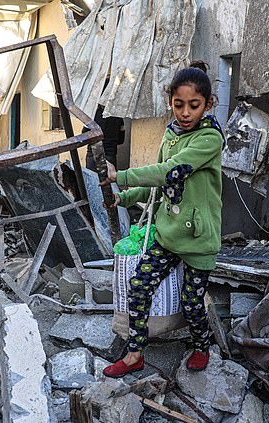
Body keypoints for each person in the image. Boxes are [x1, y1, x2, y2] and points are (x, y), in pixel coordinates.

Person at [100, 62, 224, 377]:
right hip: (167, 233)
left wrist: (121, 175)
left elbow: (170, 171)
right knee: (139, 286)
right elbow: (159, 185)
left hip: (198, 239)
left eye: (194, 105)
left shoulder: (209, 139)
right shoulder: (170, 134)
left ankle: (201, 346)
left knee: (192, 302)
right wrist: (125, 197)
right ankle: (134, 354)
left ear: (207, 105)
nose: (185, 112)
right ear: (170, 102)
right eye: (178, 104)